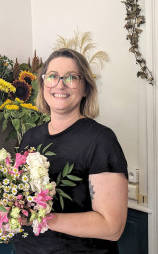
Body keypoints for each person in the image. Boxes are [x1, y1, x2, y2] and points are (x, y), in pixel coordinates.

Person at [13, 48, 128, 254]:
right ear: (43, 84)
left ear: (85, 89)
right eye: (52, 76)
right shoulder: (30, 137)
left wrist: (41, 218)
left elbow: (112, 227)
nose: (60, 84)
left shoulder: (100, 140)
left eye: (71, 77)